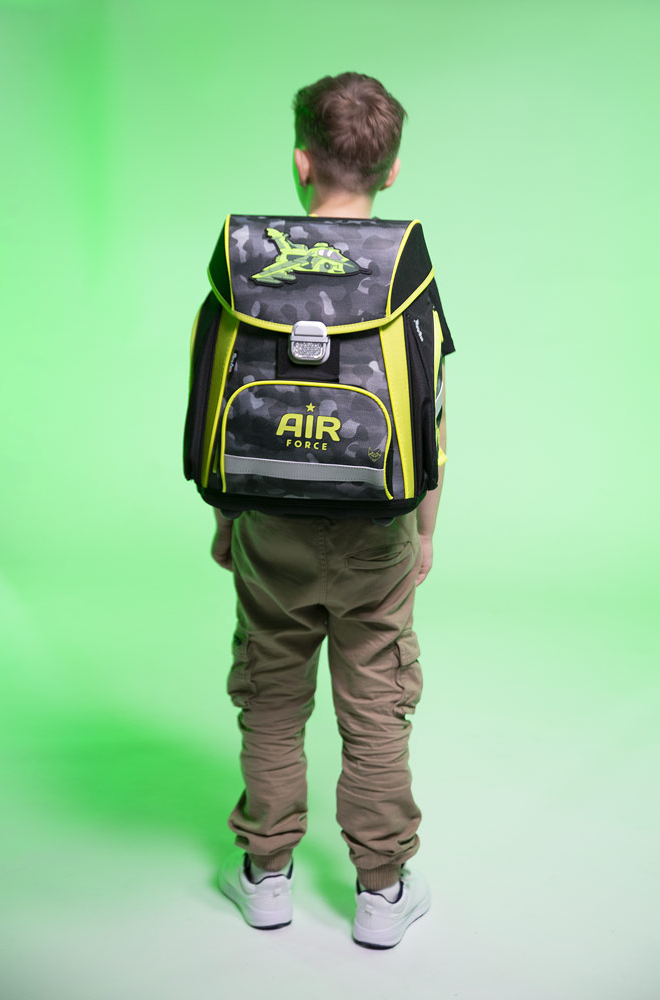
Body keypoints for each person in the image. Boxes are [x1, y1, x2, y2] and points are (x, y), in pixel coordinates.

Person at [209, 72, 455, 949]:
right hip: (376, 529)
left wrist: (227, 519)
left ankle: (265, 875)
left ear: (300, 161)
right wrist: (422, 532)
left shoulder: (247, 266)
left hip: (267, 521)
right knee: (376, 705)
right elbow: (429, 416)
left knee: (272, 697)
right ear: (391, 173)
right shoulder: (404, 272)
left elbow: (219, 400)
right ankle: (381, 891)